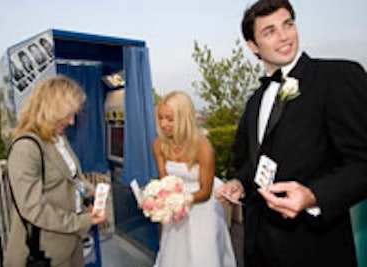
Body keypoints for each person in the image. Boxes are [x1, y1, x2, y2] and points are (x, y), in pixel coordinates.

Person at [215, 1, 367, 266]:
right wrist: (240, 183)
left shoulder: (338, 76)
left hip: (314, 249)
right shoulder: (254, 101)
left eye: (288, 24)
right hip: (257, 247)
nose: (284, 36)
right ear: (253, 45)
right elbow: (252, 161)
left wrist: (314, 196)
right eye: (269, 31)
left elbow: (362, 162)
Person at [4, 75, 107, 267]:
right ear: (50, 110)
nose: (71, 122)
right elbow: (34, 209)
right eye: (68, 114)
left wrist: (92, 191)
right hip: (44, 251)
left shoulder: (59, 138)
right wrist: (83, 221)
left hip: (71, 243)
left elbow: (73, 179)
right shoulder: (26, 147)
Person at [153, 91, 236, 267]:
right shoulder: (159, 144)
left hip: (203, 205)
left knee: (203, 254)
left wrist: (183, 200)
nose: (163, 124)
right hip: (176, 207)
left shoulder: (203, 147)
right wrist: (156, 201)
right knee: (174, 252)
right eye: (160, 118)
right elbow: (163, 181)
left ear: (184, 119)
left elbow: (206, 191)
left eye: (169, 118)